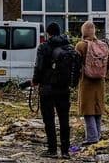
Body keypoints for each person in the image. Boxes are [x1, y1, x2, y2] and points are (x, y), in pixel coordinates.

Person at [32, 22, 79, 159]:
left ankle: (52, 149)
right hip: (64, 88)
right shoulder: (69, 48)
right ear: (60, 32)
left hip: (47, 88)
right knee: (64, 120)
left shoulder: (44, 47)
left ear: (48, 33)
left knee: (49, 120)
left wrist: (35, 80)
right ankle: (65, 151)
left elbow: (39, 67)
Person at [75, 21, 109, 145]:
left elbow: (75, 65)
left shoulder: (81, 45)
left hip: (86, 82)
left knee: (88, 110)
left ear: (83, 32)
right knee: (97, 109)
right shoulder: (103, 45)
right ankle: (98, 134)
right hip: (100, 82)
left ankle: (92, 137)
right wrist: (101, 70)